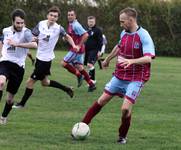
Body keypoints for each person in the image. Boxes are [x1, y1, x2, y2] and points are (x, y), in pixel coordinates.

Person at [80, 7, 155, 144]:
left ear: (131, 20)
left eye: (122, 22)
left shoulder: (144, 35)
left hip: (136, 78)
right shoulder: (124, 33)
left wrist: (131, 61)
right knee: (101, 100)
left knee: (125, 109)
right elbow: (119, 47)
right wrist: (108, 59)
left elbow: (149, 58)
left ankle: (122, 136)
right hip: (120, 75)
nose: (121, 25)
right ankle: (81, 126)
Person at [13, 6, 78, 109]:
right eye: (51, 15)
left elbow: (67, 37)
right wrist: (34, 38)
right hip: (39, 58)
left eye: (55, 16)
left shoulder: (58, 28)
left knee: (30, 82)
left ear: (57, 18)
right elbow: (33, 35)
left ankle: (22, 104)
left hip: (46, 60)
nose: (52, 17)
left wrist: (74, 45)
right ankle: (67, 89)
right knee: (45, 82)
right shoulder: (41, 24)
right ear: (47, 15)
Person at [0, 9, 37, 124]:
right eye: (17, 23)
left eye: (22, 23)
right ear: (13, 22)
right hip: (5, 62)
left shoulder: (26, 32)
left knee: (10, 99)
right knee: (0, 82)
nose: (20, 25)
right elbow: (2, 42)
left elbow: (34, 44)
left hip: (18, 68)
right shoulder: (6, 30)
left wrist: (18, 44)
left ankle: (3, 117)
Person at [61, 10, 96, 92]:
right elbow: (73, 34)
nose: (70, 16)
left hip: (76, 50)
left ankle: (79, 75)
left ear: (75, 16)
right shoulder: (71, 24)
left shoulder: (76, 25)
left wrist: (79, 45)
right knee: (79, 67)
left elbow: (86, 34)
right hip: (78, 49)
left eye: (72, 15)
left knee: (63, 63)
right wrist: (66, 37)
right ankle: (91, 84)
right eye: (68, 15)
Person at [84, 16, 103, 82]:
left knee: (90, 64)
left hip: (94, 50)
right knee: (87, 65)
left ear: (95, 22)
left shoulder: (98, 30)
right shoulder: (87, 30)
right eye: (89, 22)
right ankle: (89, 78)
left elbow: (100, 41)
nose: (90, 23)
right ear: (87, 22)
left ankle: (93, 80)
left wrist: (99, 51)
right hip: (87, 50)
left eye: (92, 22)